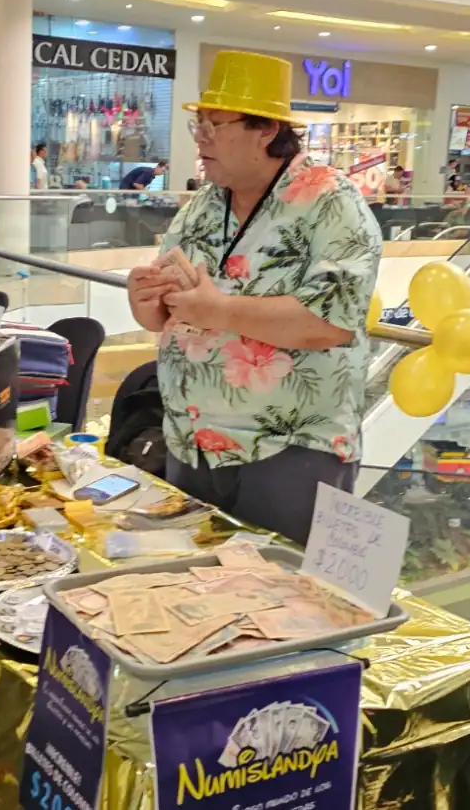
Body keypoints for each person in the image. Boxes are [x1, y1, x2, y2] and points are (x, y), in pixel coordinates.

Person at [125, 50, 381, 544]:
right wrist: (146, 303)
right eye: (197, 125)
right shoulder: (202, 205)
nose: (201, 137)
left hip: (289, 449)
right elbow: (166, 315)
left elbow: (331, 322)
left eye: (215, 124)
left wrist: (217, 309)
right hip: (190, 443)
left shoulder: (332, 202)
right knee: (191, 593)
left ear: (266, 130)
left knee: (280, 605)